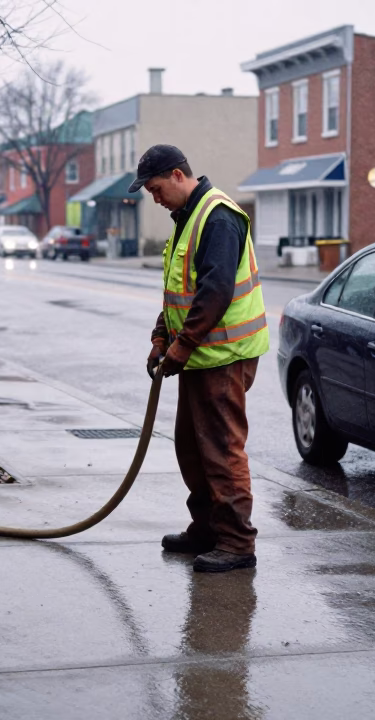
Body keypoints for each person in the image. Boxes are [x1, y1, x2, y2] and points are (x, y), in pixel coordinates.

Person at [133, 145, 269, 573]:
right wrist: (161, 334)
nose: (155, 199)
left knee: (222, 450)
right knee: (192, 449)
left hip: (223, 356)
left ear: (177, 175)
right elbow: (182, 288)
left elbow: (215, 292)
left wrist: (183, 344)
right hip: (200, 356)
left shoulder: (218, 216)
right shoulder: (187, 218)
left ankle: (236, 542)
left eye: (156, 190)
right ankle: (208, 529)